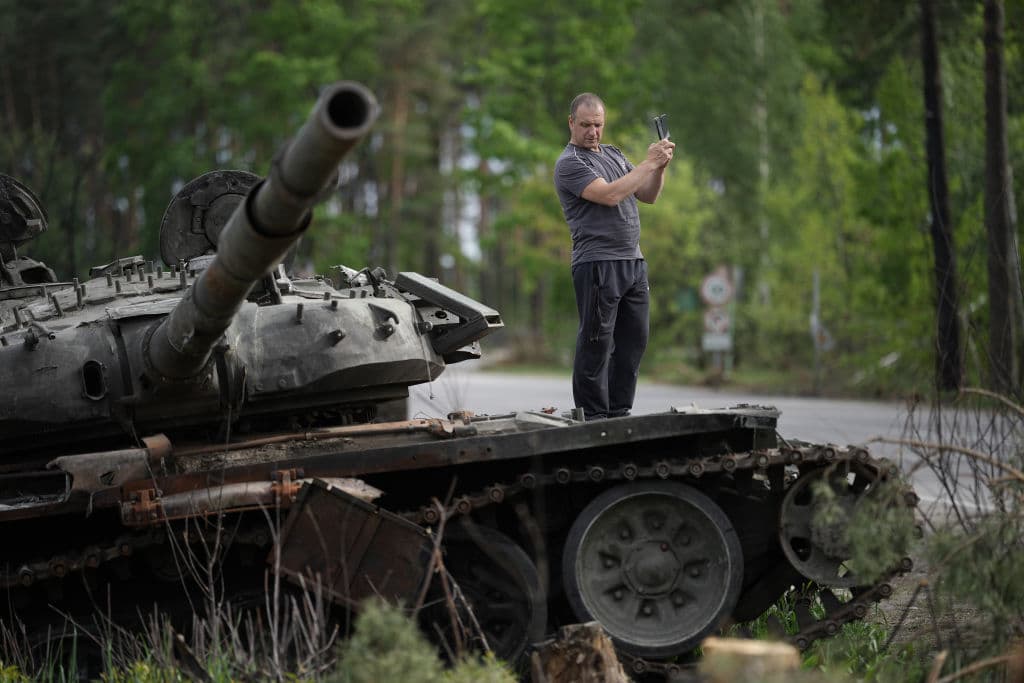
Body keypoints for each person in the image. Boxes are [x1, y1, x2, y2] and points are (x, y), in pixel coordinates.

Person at [553, 93, 674, 420]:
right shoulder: (570, 163)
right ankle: (592, 416)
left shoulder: (614, 154)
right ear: (571, 123)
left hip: (633, 262)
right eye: (585, 125)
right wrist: (648, 162)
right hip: (597, 263)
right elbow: (609, 195)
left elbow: (646, 195)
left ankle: (619, 412)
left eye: (598, 125)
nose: (593, 131)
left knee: (633, 343)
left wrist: (658, 168)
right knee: (596, 344)